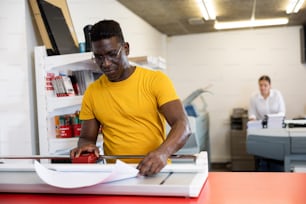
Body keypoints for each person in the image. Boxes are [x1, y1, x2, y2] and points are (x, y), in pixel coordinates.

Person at [70, 20, 191, 176]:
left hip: (155, 171)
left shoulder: (155, 80)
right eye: (99, 57)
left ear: (126, 48)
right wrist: (86, 147)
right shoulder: (92, 92)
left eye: (112, 54)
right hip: (115, 175)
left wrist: (163, 152)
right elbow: (87, 137)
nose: (106, 64)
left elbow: (183, 125)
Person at [248, 75, 286, 171]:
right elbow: (252, 113)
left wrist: (273, 120)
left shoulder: (277, 94)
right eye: (260, 85)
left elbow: (282, 112)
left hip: (276, 128)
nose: (262, 88)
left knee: (275, 155)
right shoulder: (254, 97)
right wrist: (252, 119)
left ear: (270, 85)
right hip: (262, 129)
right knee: (262, 155)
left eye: (265, 85)